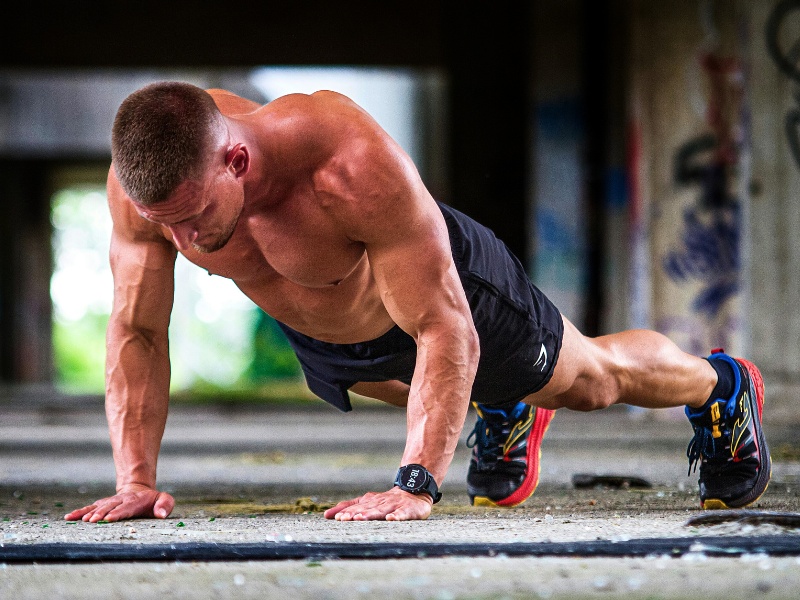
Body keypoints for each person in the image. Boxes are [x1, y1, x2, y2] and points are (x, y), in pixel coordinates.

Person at [64, 81, 770, 523]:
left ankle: (721, 386)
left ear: (237, 162)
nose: (184, 242)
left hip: (447, 290)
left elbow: (442, 324)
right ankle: (505, 408)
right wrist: (136, 480)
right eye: (166, 225)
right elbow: (138, 331)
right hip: (337, 330)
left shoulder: (345, 164)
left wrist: (415, 484)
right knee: (401, 382)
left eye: (193, 217)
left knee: (590, 381)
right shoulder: (150, 192)